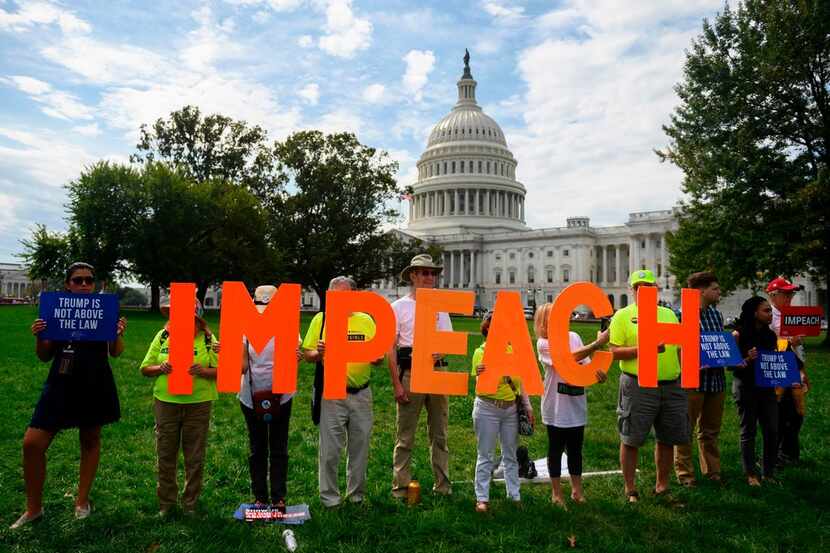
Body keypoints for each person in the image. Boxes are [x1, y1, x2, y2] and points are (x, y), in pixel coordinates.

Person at [12, 262, 127, 529]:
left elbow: (116, 352)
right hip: (61, 382)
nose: (84, 285)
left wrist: (117, 334)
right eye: (78, 280)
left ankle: (82, 501)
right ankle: (33, 509)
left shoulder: (104, 309)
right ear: (68, 284)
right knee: (32, 443)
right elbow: (44, 356)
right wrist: (40, 337)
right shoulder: (54, 310)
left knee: (90, 440)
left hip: (95, 381)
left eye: (89, 280)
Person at [609, 269, 689, 502]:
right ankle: (630, 488)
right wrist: (644, 350)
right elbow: (613, 352)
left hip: (671, 384)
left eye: (650, 287)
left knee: (667, 438)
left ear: (656, 290)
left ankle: (662, 485)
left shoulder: (669, 314)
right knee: (631, 438)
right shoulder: (623, 316)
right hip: (638, 384)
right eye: (639, 287)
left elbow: (680, 346)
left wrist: (688, 369)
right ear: (632, 290)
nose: (645, 291)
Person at [302, 277, 380, 507]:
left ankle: (356, 496)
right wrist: (319, 353)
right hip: (333, 392)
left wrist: (376, 358)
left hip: (362, 393)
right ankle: (330, 498)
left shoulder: (366, 320)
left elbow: (378, 358)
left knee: (360, 448)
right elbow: (307, 355)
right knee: (330, 451)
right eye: (334, 296)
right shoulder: (321, 319)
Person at [140, 298, 217, 517]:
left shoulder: (209, 339)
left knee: (195, 456)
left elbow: (225, 370)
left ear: (196, 319)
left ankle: (190, 503)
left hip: (198, 404)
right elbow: (145, 368)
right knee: (165, 453)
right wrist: (160, 368)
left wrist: (204, 371)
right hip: (166, 403)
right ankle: (166, 503)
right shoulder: (163, 336)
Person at [388, 254, 453, 498]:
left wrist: (441, 349)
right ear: (413, 276)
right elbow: (390, 349)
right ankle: (401, 487)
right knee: (405, 436)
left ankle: (443, 486)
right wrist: (396, 384)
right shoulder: (398, 307)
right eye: (424, 273)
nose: (429, 277)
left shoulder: (440, 306)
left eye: (432, 273)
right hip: (410, 373)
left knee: (440, 433)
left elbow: (448, 339)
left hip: (437, 372)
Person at [534, 302, 608, 506]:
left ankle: (577, 490)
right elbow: (567, 360)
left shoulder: (573, 337)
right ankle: (556, 493)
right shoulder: (543, 343)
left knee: (576, 450)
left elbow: (584, 365)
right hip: (555, 404)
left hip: (575, 401)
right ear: (543, 322)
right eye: (551, 317)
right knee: (555, 449)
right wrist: (596, 345)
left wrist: (596, 374)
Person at [239, 285, 301, 511]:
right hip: (250, 396)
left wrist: (297, 357)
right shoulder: (244, 325)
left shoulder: (287, 324)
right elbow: (243, 366)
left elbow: (294, 357)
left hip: (281, 395)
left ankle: (277, 497)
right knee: (259, 448)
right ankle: (261, 497)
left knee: (277, 447)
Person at [470, 313, 533, 512]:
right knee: (485, 454)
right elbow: (479, 385)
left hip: (510, 410)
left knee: (510, 455)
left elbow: (521, 382)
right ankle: (482, 498)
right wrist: (481, 373)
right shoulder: (480, 352)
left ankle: (514, 496)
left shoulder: (513, 351)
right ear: (487, 329)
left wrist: (528, 405)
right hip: (487, 407)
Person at [674, 271, 727, 485]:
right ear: (701, 291)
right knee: (685, 429)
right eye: (715, 288)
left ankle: (713, 471)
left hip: (716, 379)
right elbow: (676, 348)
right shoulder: (681, 315)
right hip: (692, 380)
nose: (719, 292)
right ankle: (685, 475)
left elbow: (718, 344)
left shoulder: (716, 315)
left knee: (711, 430)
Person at [732, 297, 781, 486]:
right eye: (766, 311)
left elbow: (773, 361)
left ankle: (769, 472)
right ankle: (751, 474)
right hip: (746, 386)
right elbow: (732, 365)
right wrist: (747, 358)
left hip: (766, 387)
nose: (770, 314)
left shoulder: (770, 336)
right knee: (748, 430)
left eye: (770, 310)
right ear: (754, 313)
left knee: (771, 430)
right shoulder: (739, 334)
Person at [766, 277, 809, 466]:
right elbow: (766, 345)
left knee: (797, 414)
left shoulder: (789, 315)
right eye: (786, 294)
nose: (790, 297)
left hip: (795, 366)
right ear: (773, 295)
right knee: (781, 414)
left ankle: (790, 454)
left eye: (791, 293)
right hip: (778, 370)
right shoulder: (768, 316)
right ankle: (775, 456)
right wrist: (789, 342)